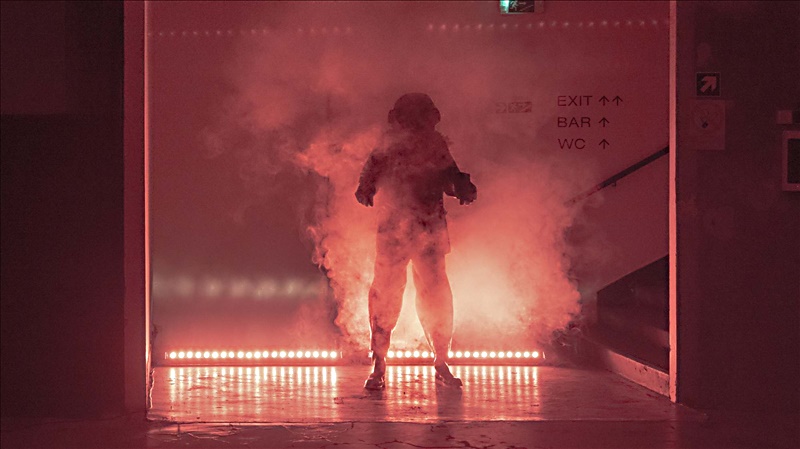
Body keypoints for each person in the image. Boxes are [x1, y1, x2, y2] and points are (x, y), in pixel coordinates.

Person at [355, 93, 477, 389]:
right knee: (390, 293)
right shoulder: (391, 145)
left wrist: (461, 186)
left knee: (432, 293)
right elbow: (369, 177)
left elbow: (449, 176)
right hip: (400, 226)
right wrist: (366, 187)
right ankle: (381, 362)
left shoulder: (433, 144)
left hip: (426, 225)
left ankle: (438, 359)